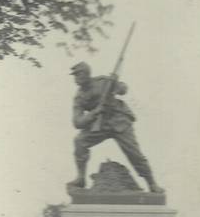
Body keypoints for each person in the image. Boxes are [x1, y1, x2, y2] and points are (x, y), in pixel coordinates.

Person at [67, 61, 164, 193]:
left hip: (119, 121)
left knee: (134, 153)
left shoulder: (102, 81)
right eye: (75, 75)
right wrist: (95, 112)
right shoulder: (79, 97)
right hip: (100, 125)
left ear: (86, 73)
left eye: (78, 75)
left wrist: (116, 86)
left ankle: (152, 183)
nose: (76, 78)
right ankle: (81, 178)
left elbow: (124, 89)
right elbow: (77, 122)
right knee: (79, 141)